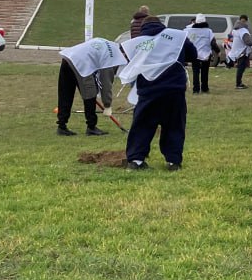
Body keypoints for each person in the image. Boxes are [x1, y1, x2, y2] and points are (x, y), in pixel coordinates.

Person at [118, 17, 197, 170]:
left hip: (148, 92)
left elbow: (131, 62)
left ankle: (136, 161)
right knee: (174, 125)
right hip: (174, 90)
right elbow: (193, 54)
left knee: (141, 125)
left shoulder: (138, 42)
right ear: (162, 25)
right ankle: (173, 162)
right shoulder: (177, 35)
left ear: (143, 28)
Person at [56, 36, 122, 136]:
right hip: (81, 63)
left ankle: (61, 126)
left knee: (66, 93)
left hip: (68, 58)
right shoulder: (112, 57)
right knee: (90, 94)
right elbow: (106, 83)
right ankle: (91, 127)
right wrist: (107, 105)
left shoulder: (109, 45)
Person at [185, 13, 217, 94]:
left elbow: (185, 38)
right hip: (206, 54)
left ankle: (196, 89)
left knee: (196, 72)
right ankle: (205, 88)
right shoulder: (208, 31)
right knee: (205, 72)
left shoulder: (189, 30)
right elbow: (213, 43)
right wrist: (218, 51)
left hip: (195, 54)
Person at [228, 15, 252, 89]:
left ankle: (238, 82)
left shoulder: (234, 30)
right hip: (242, 52)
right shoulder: (244, 31)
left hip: (236, 51)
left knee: (240, 68)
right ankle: (238, 83)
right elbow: (247, 41)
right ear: (246, 21)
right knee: (241, 68)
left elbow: (230, 37)